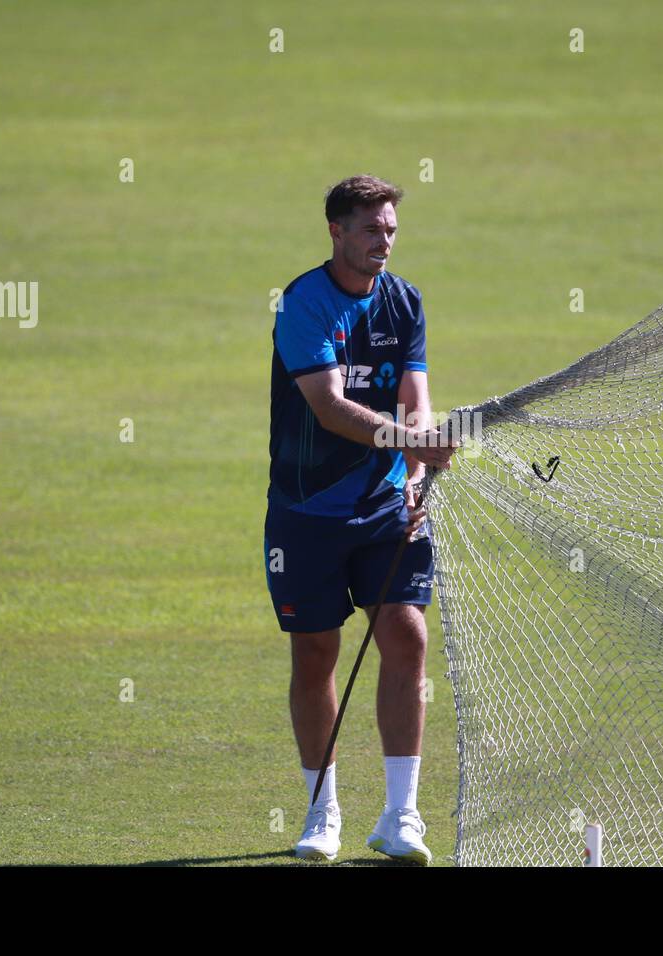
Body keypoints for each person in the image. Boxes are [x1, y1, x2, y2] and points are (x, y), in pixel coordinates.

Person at [264, 174, 458, 863]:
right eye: (371, 229)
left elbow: (415, 396)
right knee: (315, 653)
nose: (384, 242)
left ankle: (401, 817)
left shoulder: (405, 302)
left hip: (385, 507)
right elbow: (329, 408)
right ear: (336, 231)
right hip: (306, 511)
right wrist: (415, 444)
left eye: (392, 230)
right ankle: (323, 815)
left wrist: (414, 471)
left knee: (406, 637)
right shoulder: (303, 303)